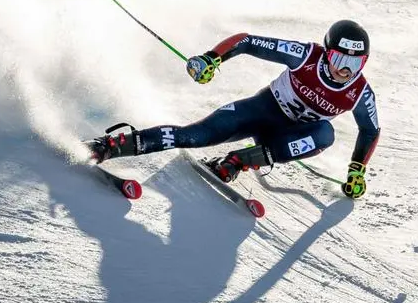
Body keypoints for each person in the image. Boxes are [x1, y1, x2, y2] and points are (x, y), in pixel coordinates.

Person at [87, 19, 381, 199]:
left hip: (285, 139)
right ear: (326, 51)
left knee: (324, 134)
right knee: (195, 135)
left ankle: (238, 162)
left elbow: (370, 130)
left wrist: (357, 170)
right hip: (262, 109)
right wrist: (212, 58)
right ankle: (111, 145)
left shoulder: (360, 93)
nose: (346, 69)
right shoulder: (305, 55)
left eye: (356, 63)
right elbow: (246, 41)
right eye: (340, 59)